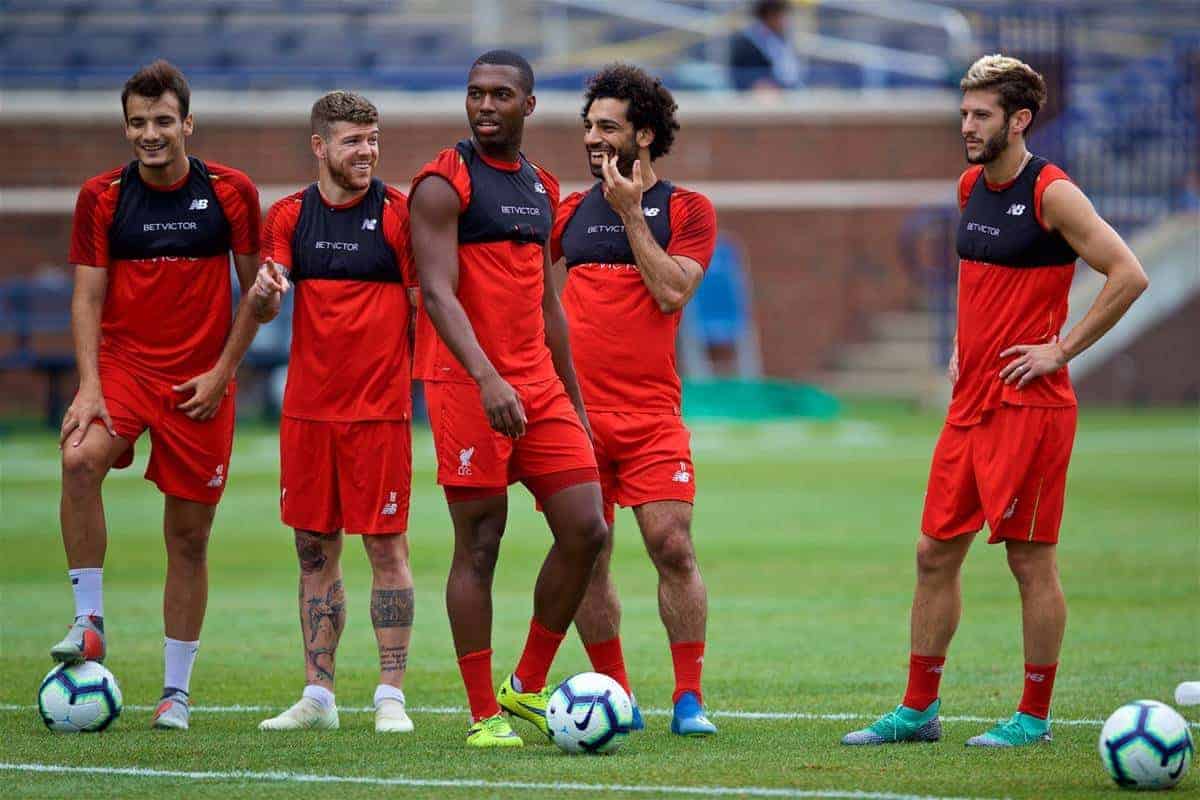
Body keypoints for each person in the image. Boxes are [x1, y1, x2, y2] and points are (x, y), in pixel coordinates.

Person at [842, 54, 1149, 748]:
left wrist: (1061, 350)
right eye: (963, 113)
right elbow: (977, 279)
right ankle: (919, 711)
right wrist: (962, 344)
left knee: (1029, 561)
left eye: (980, 114)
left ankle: (1034, 719)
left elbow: (1129, 274)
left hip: (1031, 409)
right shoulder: (968, 187)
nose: (967, 126)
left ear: (1020, 119)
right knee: (933, 552)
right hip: (970, 404)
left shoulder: (1053, 193)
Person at [56, 60, 266, 730]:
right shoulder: (102, 197)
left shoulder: (232, 193)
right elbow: (88, 296)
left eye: (163, 121)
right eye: (139, 122)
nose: (150, 133)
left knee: (189, 537)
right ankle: (89, 622)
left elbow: (254, 298)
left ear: (188, 124)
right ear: (127, 126)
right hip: (125, 370)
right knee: (78, 459)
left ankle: (175, 692)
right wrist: (90, 386)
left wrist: (222, 374)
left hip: (200, 383)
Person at [408, 50, 609, 748]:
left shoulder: (541, 186)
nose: (484, 105)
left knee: (587, 528)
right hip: (469, 384)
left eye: (499, 95)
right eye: (474, 94)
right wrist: (489, 378)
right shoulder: (442, 182)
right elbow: (436, 292)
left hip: (538, 385)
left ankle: (524, 686)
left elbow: (548, 304)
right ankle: (481, 714)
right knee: (481, 544)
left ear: (528, 105)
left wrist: (575, 404)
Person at [548, 63, 718, 737]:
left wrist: (629, 214)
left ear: (643, 135)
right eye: (587, 126)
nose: (593, 138)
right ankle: (617, 694)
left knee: (670, 544)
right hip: (577, 419)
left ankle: (688, 699)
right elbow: (522, 288)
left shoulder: (687, 210)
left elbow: (673, 291)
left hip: (651, 419)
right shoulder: (567, 212)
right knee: (588, 553)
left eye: (607, 127)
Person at [254, 92, 418, 734]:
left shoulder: (400, 215)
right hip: (308, 415)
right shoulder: (290, 215)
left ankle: (389, 696)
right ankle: (318, 695)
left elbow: (421, 307)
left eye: (373, 138)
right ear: (319, 146)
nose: (368, 151)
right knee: (313, 552)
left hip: (378, 414)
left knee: (386, 546)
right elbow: (268, 297)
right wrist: (267, 294)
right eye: (354, 140)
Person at [729, 0, 803, 92]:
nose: (786, 21)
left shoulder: (779, 39)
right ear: (770, 16)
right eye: (782, 16)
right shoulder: (747, 43)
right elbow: (752, 83)